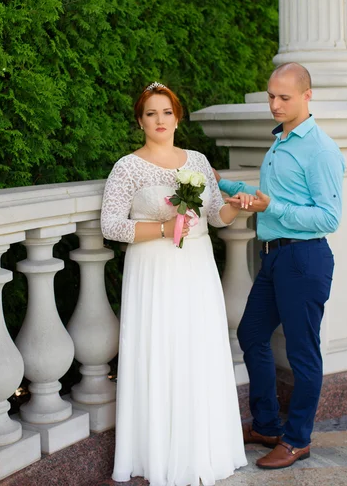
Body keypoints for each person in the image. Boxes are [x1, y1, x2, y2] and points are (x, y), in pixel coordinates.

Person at [101, 82, 247, 486]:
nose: (160, 120)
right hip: (153, 271)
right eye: (151, 113)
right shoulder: (127, 167)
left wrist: (233, 209)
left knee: (197, 349)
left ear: (177, 117)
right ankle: (158, 454)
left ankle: (203, 450)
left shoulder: (197, 161)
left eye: (166, 112)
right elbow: (111, 225)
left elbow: (215, 215)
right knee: (159, 349)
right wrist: (164, 227)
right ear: (140, 120)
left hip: (197, 269)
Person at [216, 62, 345, 470]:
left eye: (283, 97)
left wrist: (273, 206)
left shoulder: (320, 149)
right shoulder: (282, 141)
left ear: (307, 96)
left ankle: (297, 440)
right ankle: (268, 425)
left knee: (303, 353)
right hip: (274, 256)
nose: (274, 103)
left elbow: (329, 218)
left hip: (304, 260)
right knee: (252, 333)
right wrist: (225, 185)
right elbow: (276, 197)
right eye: (271, 95)